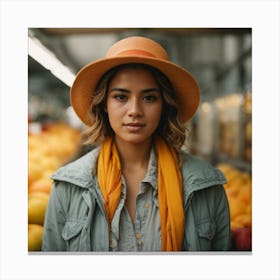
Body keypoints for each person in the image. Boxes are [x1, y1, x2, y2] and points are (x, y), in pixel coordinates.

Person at [42, 36, 230, 252]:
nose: (134, 110)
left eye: (149, 98)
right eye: (121, 97)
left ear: (165, 106)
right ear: (104, 104)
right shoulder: (68, 187)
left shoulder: (206, 187)